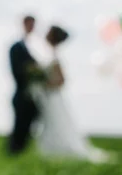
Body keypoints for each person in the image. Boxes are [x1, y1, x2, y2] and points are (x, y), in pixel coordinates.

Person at [30, 25, 114, 163]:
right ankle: (52, 149)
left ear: (52, 36)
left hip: (52, 96)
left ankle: (58, 149)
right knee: (51, 123)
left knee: (56, 122)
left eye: (48, 32)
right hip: (49, 97)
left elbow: (62, 80)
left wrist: (45, 84)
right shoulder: (50, 54)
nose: (45, 34)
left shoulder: (54, 56)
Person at [7, 15, 41, 155]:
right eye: (29, 24)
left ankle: (22, 150)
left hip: (36, 93)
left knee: (30, 123)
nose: (31, 27)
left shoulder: (38, 47)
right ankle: (14, 150)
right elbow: (16, 71)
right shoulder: (16, 47)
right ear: (24, 24)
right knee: (20, 123)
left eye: (33, 24)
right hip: (22, 92)